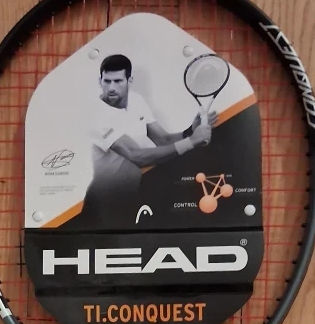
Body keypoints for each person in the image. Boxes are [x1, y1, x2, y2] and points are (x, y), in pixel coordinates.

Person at [83, 53, 216, 219]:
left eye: (118, 81)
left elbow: (162, 140)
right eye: (107, 81)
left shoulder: (136, 100)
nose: (111, 88)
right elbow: (136, 156)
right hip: (101, 203)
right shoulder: (96, 115)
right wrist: (191, 141)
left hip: (131, 197)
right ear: (100, 81)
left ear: (129, 81)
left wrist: (189, 131)